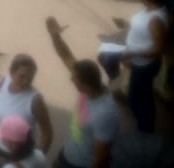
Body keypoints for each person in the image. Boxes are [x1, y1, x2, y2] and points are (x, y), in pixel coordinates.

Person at [44, 16, 118, 168]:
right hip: (66, 154)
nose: (71, 79)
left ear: (86, 87)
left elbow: (101, 158)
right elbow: (65, 55)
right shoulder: (90, 84)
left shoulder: (104, 114)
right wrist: (55, 35)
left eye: (74, 79)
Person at [0, 54, 53, 158]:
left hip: (21, 154)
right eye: (22, 76)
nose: (26, 82)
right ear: (12, 72)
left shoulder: (35, 100)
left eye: (30, 78)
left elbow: (48, 133)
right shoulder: (0, 82)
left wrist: (36, 161)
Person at [122, 0, 167, 134]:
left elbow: (158, 48)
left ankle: (145, 129)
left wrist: (133, 52)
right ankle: (143, 126)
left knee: (139, 100)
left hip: (144, 65)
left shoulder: (156, 18)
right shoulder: (150, 10)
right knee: (139, 96)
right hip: (138, 62)